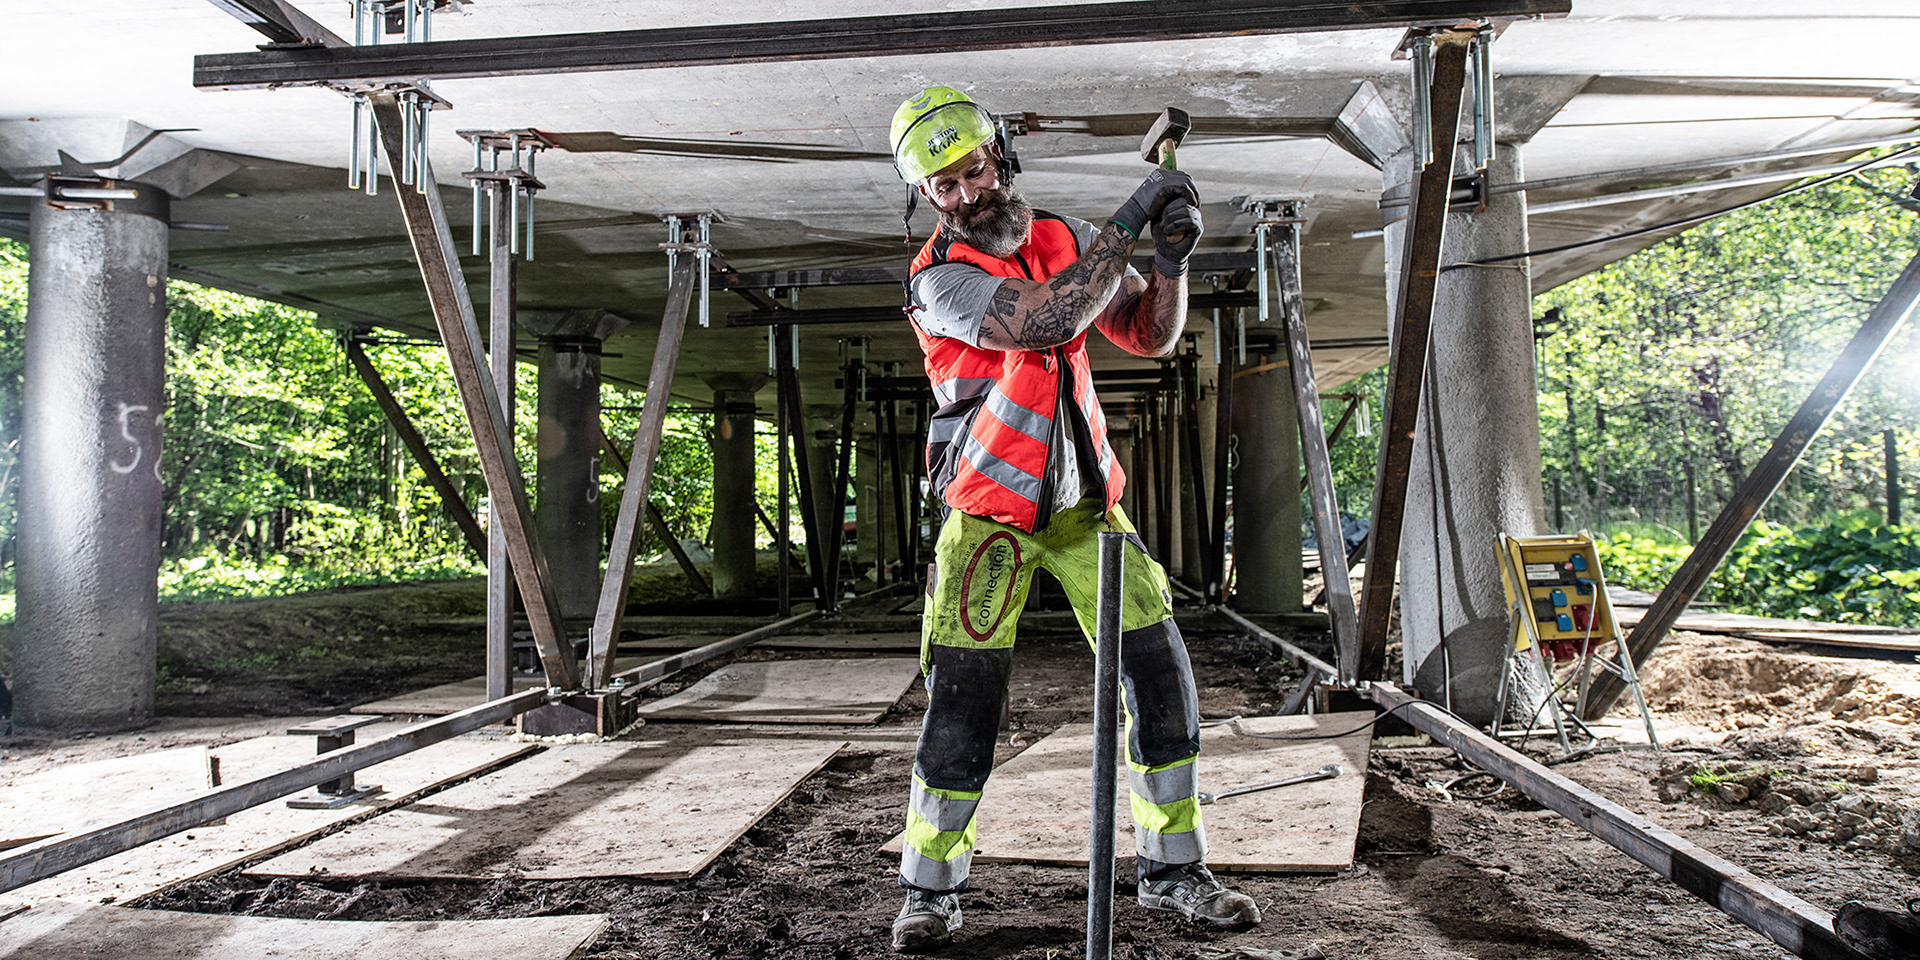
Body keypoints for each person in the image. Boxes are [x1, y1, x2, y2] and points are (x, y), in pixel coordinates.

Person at [885, 85, 1260, 953]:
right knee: (964, 702)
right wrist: (1134, 214)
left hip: (1087, 506)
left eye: (975, 169)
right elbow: (1050, 319)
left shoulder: (1062, 236)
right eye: (943, 185)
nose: (967, 193)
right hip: (988, 511)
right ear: (925, 197)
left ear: (1000, 157)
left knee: (1161, 679)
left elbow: (1149, 335)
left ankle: (1175, 872)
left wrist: (1170, 263)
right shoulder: (937, 280)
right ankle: (929, 891)